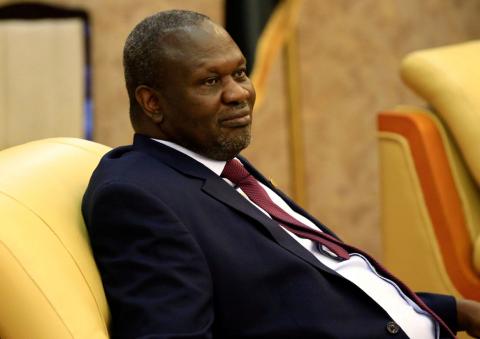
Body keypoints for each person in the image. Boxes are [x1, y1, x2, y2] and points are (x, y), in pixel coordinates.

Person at [82, 9, 480, 339]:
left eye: (239, 73)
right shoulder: (139, 196)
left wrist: (453, 309)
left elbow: (317, 282)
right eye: (210, 81)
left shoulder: (221, 167)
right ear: (152, 102)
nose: (238, 93)